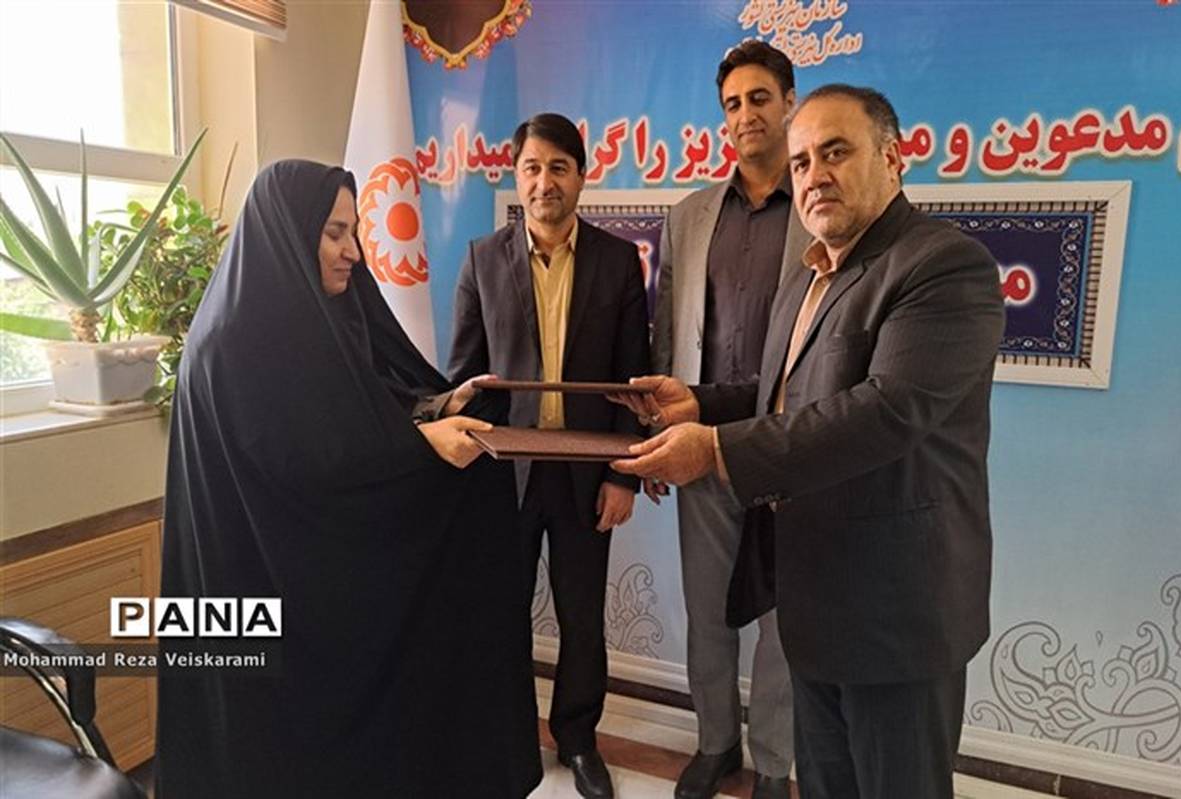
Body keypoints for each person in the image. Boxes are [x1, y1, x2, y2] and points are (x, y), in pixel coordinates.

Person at [609, 85, 1005, 799]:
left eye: (835, 152)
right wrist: (697, 401)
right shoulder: (810, 273)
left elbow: (885, 411)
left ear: (893, 158)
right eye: (800, 163)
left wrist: (717, 449)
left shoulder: (943, 266)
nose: (814, 175)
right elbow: (784, 391)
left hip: (897, 612)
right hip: (814, 602)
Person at [156, 160, 542, 798]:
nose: (354, 252)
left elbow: (359, 406)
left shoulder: (317, 319)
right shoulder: (230, 343)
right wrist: (420, 450)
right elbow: (300, 464)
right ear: (287, 232)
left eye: (355, 231)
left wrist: (435, 408)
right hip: (260, 595)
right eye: (335, 232)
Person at [447, 113, 650, 799]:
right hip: (504, 477)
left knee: (582, 617)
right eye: (532, 168)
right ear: (516, 176)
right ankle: (507, 736)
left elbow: (633, 378)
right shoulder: (482, 260)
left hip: (588, 475)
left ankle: (579, 739)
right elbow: (464, 378)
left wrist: (623, 475)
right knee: (500, 612)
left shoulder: (618, 262)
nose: (544, 182)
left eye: (559, 167)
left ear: (582, 177)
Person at [651, 40, 804, 799]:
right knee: (707, 609)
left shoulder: (820, 205)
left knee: (782, 619)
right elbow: (664, 333)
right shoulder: (688, 217)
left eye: (759, 99)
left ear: (789, 103)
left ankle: (774, 762)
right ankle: (716, 744)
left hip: (787, 447)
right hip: (700, 444)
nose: (746, 115)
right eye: (733, 104)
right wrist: (656, 436)